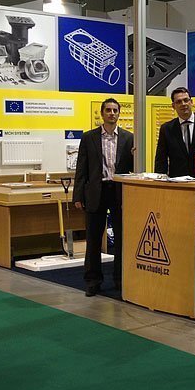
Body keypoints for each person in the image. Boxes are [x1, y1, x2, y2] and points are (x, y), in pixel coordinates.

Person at [72, 98, 134, 297]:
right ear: (102, 113)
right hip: (95, 192)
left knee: (122, 238)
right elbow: (81, 168)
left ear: (119, 113)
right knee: (93, 239)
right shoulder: (89, 137)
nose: (112, 113)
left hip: (119, 192)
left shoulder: (128, 138)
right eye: (108, 110)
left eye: (115, 110)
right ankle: (92, 281)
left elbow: (133, 169)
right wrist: (77, 196)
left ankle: (120, 279)